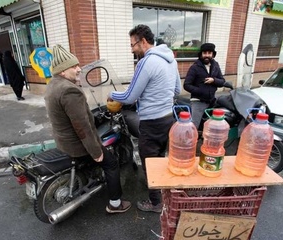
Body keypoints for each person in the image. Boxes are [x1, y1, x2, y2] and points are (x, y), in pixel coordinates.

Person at [44, 44, 131, 214]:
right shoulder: (69, 90)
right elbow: (81, 126)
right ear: (63, 71)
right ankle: (115, 204)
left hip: (63, 140)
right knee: (111, 162)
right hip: (76, 144)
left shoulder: (53, 85)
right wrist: (96, 151)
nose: (79, 69)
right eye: (74, 66)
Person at [108, 25, 181, 213]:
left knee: (150, 164)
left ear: (143, 42)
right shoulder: (171, 60)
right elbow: (177, 91)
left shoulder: (146, 62)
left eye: (133, 45)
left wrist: (112, 94)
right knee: (162, 160)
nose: (132, 49)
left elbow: (130, 97)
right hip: (168, 119)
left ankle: (156, 203)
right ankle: (164, 192)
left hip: (151, 123)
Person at [183, 43, 225, 129]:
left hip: (211, 101)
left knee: (212, 127)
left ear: (213, 54)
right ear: (201, 54)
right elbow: (186, 85)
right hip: (198, 101)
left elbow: (222, 81)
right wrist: (200, 91)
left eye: (209, 53)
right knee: (193, 127)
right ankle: (190, 141)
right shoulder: (195, 67)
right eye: (204, 53)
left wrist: (214, 80)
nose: (207, 55)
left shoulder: (215, 65)